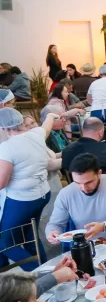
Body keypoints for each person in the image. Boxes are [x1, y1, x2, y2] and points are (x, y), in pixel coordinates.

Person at [0, 109, 57, 269]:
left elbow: (1, 182)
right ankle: (45, 267)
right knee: (30, 234)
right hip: (42, 194)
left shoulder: (7, 147)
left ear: (3, 128)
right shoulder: (35, 134)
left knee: (5, 241)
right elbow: (46, 126)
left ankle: (40, 274)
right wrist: (52, 115)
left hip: (22, 199)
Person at [46, 153, 106, 243]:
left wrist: (104, 226)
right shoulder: (66, 194)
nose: (84, 188)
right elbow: (55, 224)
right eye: (78, 183)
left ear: (99, 173)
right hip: (88, 248)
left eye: (88, 182)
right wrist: (52, 232)